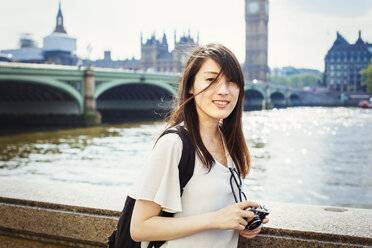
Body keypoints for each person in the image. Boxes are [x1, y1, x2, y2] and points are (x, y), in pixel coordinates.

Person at [128, 43, 269, 248]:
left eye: (231, 82)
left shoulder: (229, 142)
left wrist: (241, 220)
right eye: (211, 79)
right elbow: (139, 228)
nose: (223, 91)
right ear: (191, 86)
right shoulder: (174, 144)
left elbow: (214, 211)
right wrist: (215, 219)